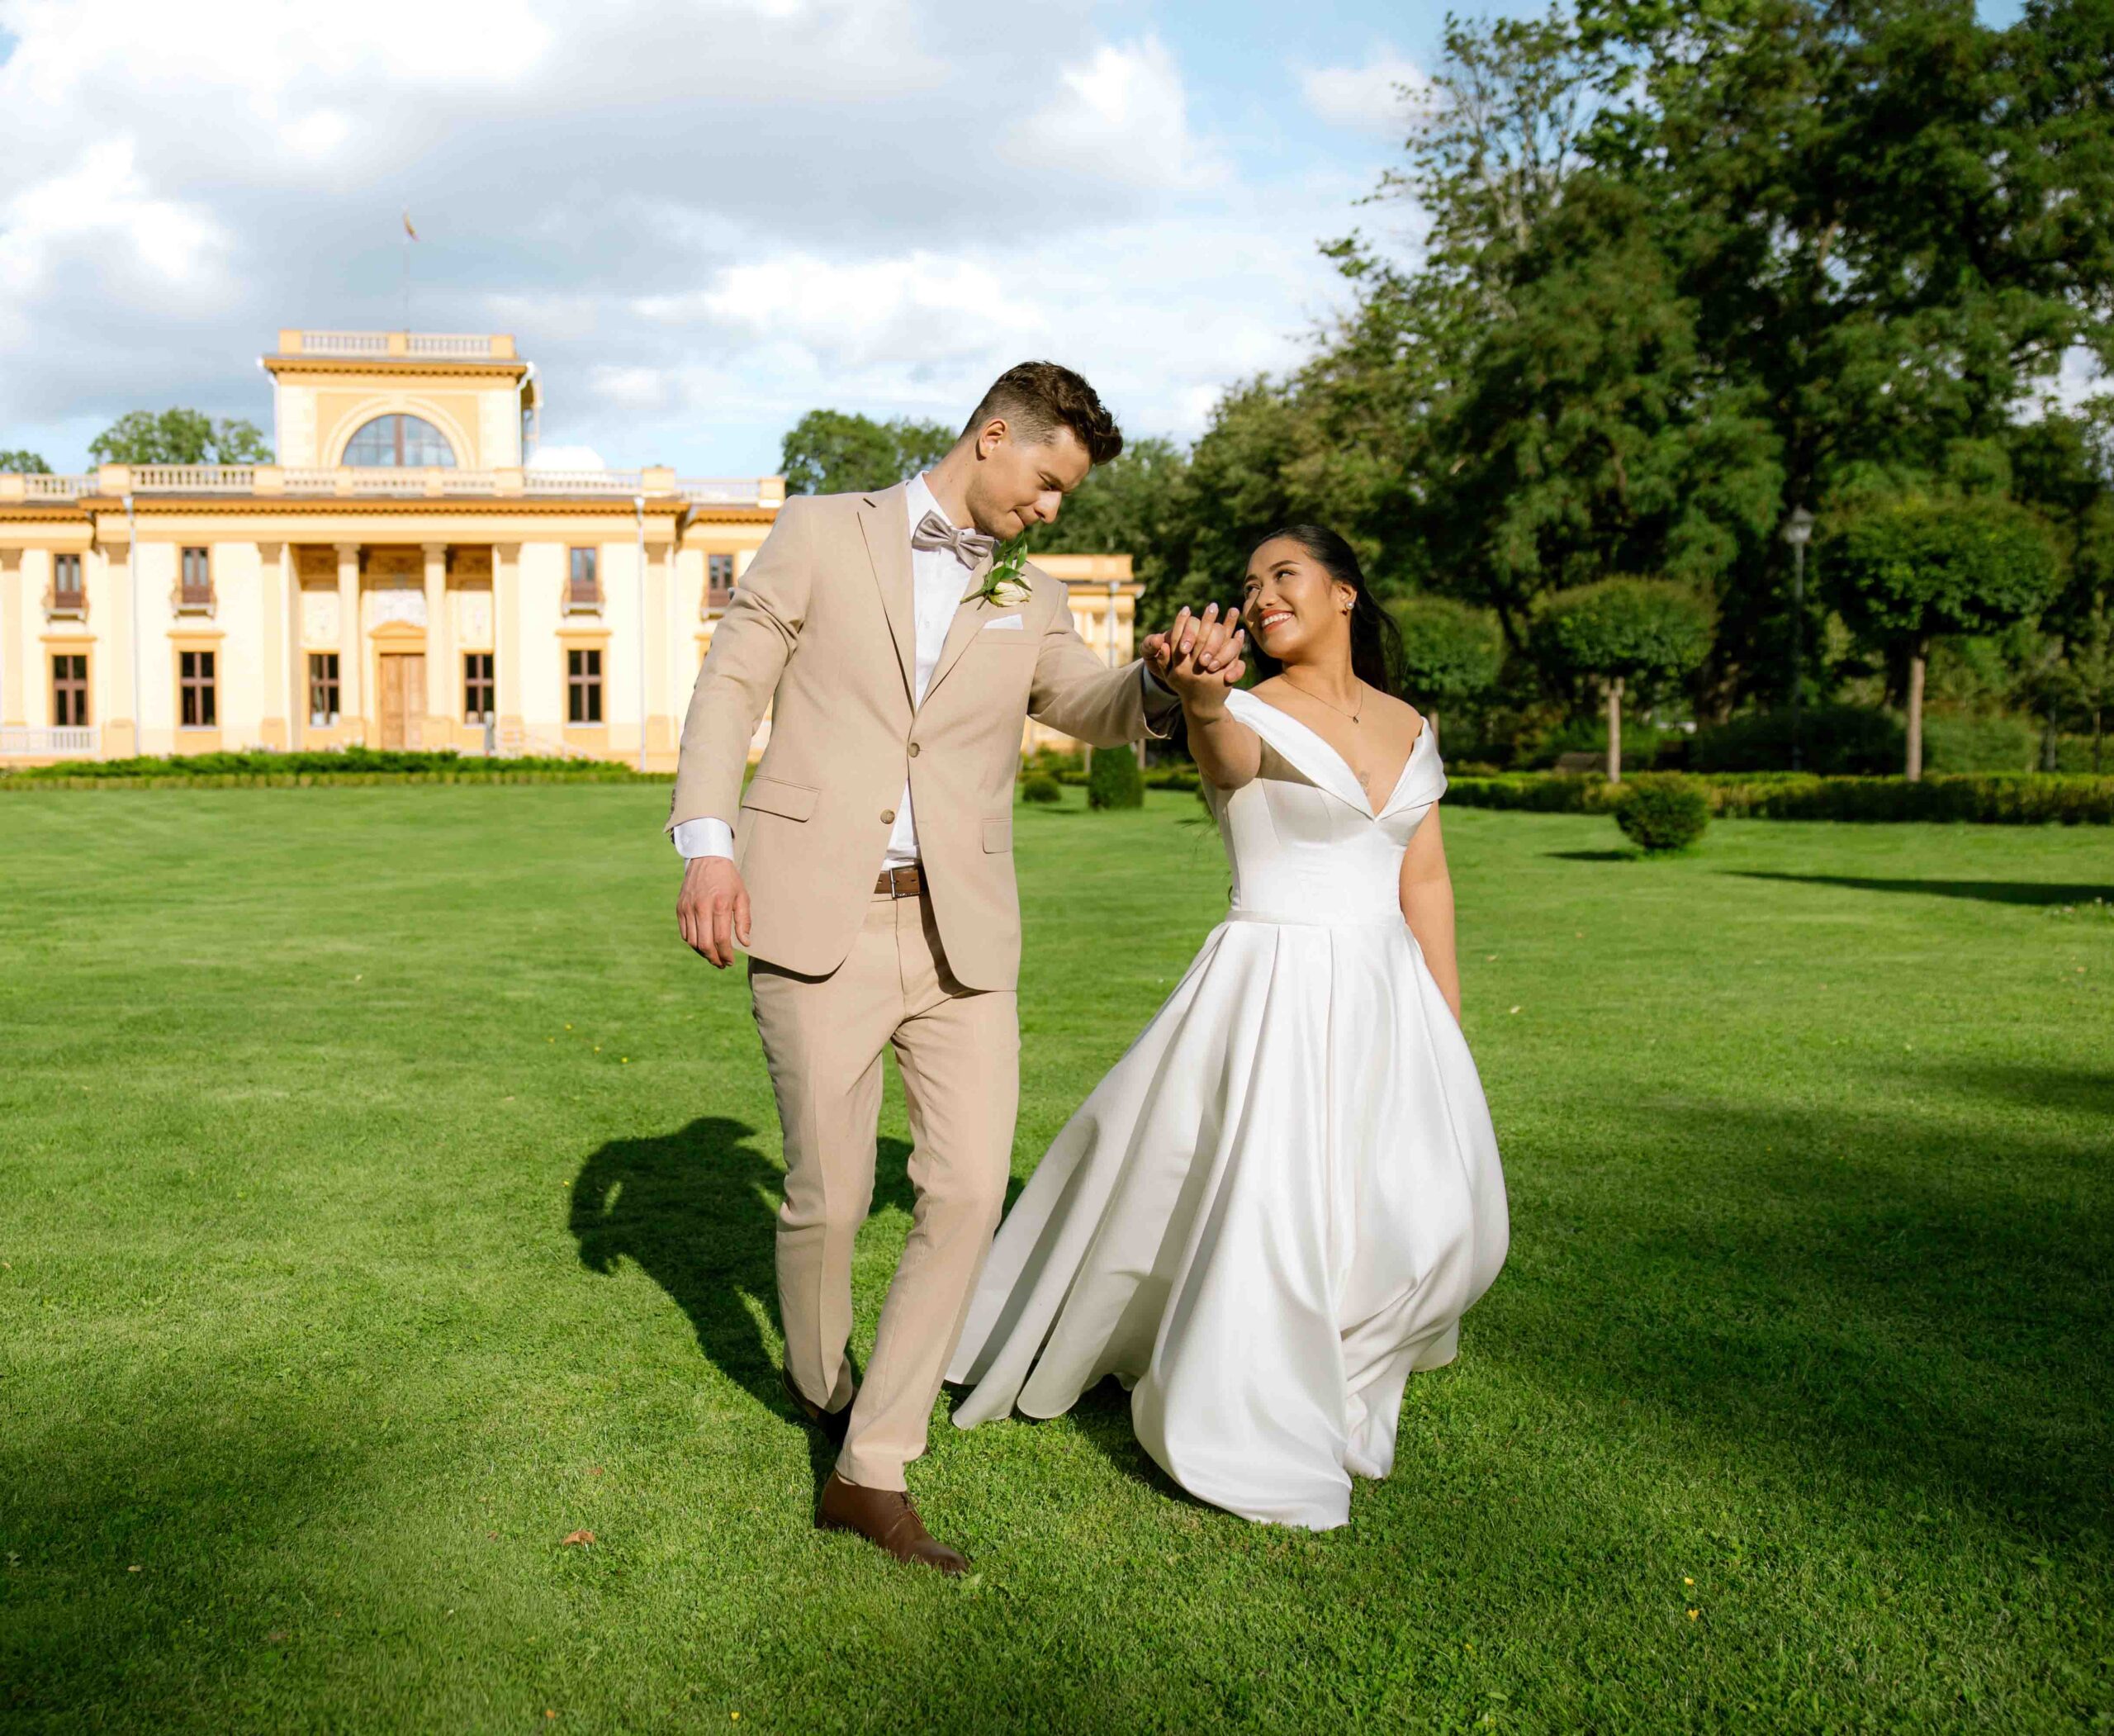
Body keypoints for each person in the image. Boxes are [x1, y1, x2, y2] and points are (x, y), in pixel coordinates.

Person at [666, 363, 1216, 1573]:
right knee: (829, 1197)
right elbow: (730, 688)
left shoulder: (1036, 590)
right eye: (1050, 481)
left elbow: (1084, 696)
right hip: (817, 914)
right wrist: (708, 844)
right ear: (995, 433)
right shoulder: (821, 530)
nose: (1054, 509)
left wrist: (1167, 684)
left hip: (963, 936)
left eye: (1070, 494)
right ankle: (823, 1383)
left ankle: (873, 1464)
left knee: (966, 1191)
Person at [947, 525, 1510, 1530]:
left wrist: (1447, 1026)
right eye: (1249, 587)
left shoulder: (1411, 723)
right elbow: (1226, 757)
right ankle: (1252, 1387)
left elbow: (1424, 876)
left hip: (1391, 996)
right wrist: (1200, 697)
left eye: (1282, 576)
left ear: (1343, 592)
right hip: (1274, 986)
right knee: (1269, 1201)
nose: (1259, 597)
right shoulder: (1244, 709)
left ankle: (1344, 1350)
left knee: (1438, 1216)